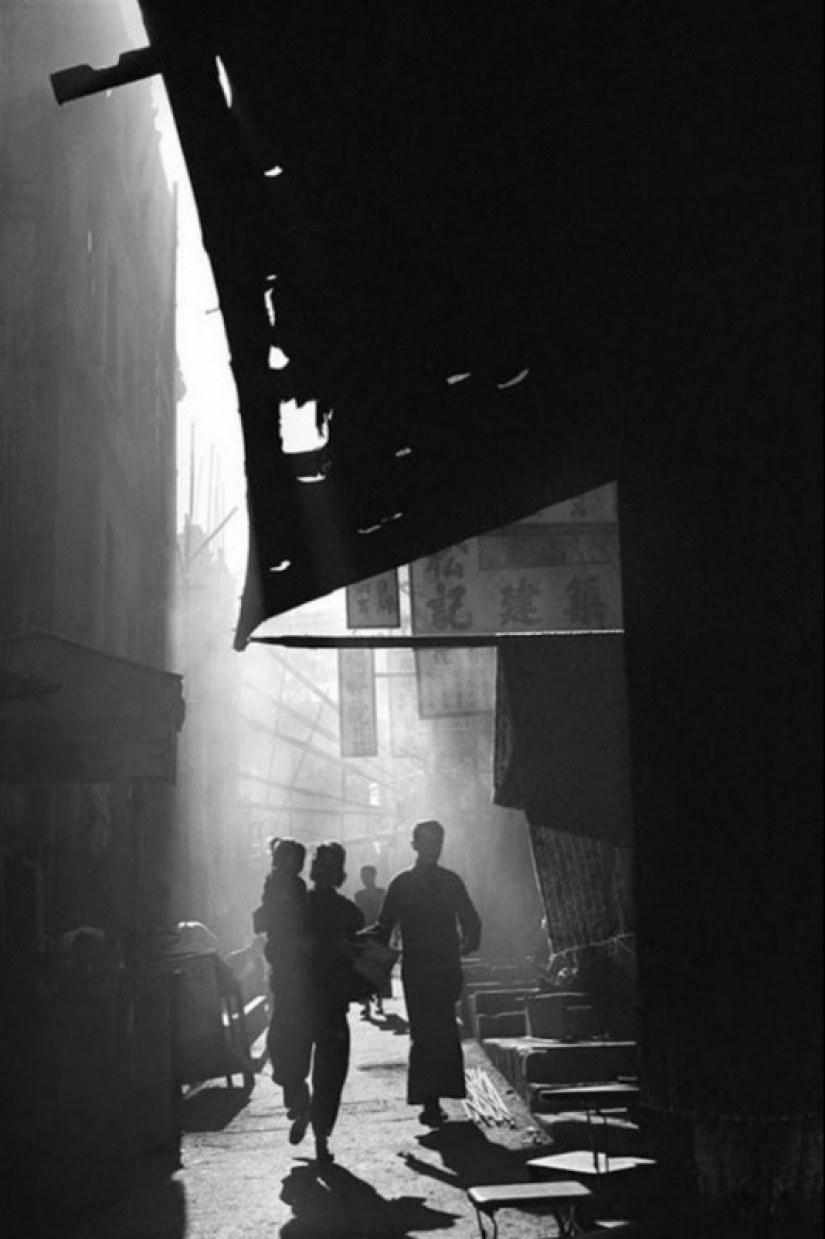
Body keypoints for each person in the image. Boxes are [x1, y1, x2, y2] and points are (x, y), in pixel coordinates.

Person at [376, 818, 481, 1127]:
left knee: (431, 1031)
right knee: (433, 1030)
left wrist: (466, 945)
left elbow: (383, 928)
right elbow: (471, 924)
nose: (433, 848)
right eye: (428, 843)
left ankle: (432, 1100)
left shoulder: (406, 883)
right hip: (434, 966)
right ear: (416, 846)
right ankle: (432, 1101)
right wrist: (464, 945)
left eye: (436, 842)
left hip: (429, 967)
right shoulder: (443, 881)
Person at [303, 841, 365, 1163]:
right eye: (322, 866)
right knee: (301, 1062)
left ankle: (320, 1131)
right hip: (302, 998)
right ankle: (302, 1109)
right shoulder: (299, 905)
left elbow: (359, 942)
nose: (326, 873)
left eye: (332, 867)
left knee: (331, 1070)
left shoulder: (346, 911)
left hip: (332, 1001)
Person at [252, 838, 314, 1128]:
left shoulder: (289, 885)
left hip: (293, 966)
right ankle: (294, 1087)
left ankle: (294, 1088)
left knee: (288, 1028)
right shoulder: (280, 884)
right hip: (287, 965)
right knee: (286, 1028)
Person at [353, 864, 390, 1017]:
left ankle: (379, 1001)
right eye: (363, 876)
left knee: (378, 968)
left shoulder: (382, 894)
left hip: (378, 933)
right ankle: (367, 1004)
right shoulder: (359, 895)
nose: (365, 879)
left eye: (367, 876)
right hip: (363, 933)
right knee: (364, 970)